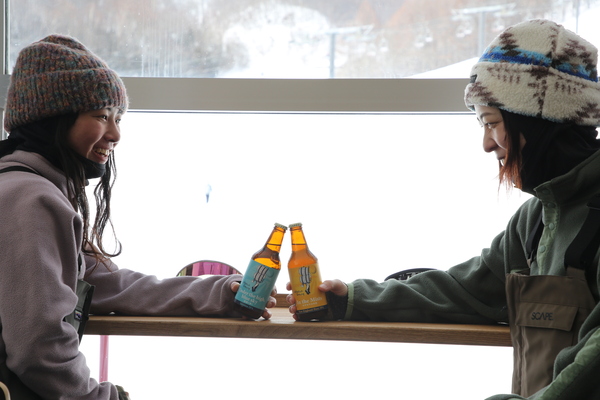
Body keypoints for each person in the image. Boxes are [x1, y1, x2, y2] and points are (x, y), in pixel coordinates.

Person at [287, 19, 600, 399]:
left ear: (538, 122)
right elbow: (463, 290)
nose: (487, 144)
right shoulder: (535, 221)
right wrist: (352, 299)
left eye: (492, 123)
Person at [0, 35, 276, 399]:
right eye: (102, 116)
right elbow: (39, 349)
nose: (115, 134)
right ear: (53, 119)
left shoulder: (31, 189)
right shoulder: (30, 200)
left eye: (118, 118)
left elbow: (108, 284)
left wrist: (217, 293)